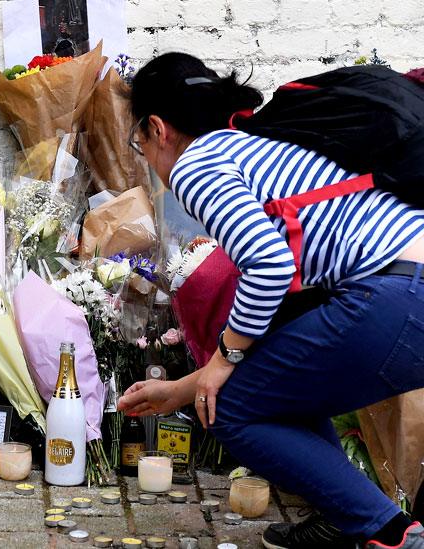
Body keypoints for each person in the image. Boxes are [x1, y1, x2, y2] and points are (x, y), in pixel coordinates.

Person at [116, 52, 424, 549]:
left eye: (139, 144)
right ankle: (347, 520)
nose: (146, 157)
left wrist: (223, 358)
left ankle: (390, 532)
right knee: (281, 389)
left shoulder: (198, 164)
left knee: (231, 410)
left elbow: (270, 267)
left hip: (398, 296)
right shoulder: (255, 148)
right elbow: (274, 338)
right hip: (407, 295)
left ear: (157, 128)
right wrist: (178, 390)